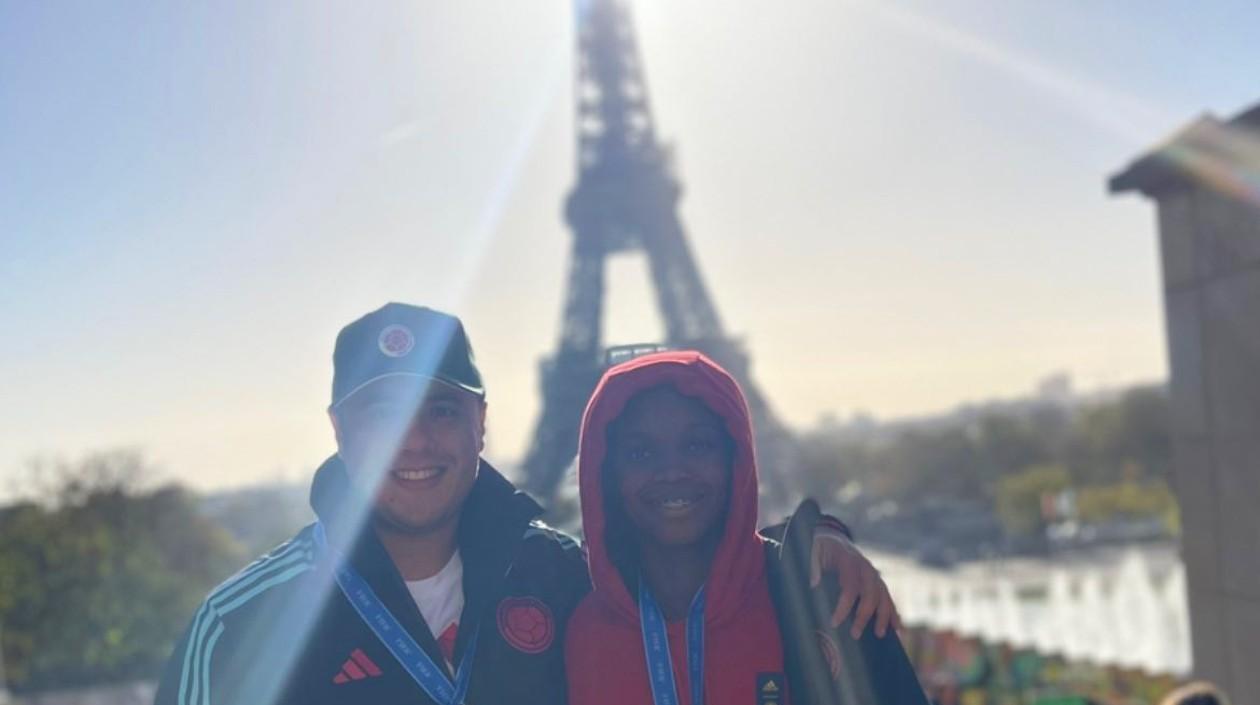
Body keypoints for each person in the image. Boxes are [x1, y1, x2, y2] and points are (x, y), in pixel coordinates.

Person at [155, 303, 898, 705]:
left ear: (482, 422)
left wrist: (810, 541)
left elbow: (684, 563)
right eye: (383, 415)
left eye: (441, 410)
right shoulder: (241, 626)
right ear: (338, 432)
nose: (414, 443)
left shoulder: (560, 575)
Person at [565, 350, 927, 705]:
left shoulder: (824, 598)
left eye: (697, 445)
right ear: (606, 476)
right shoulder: (578, 629)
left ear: (736, 459)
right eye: (640, 453)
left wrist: (821, 532)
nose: (672, 471)